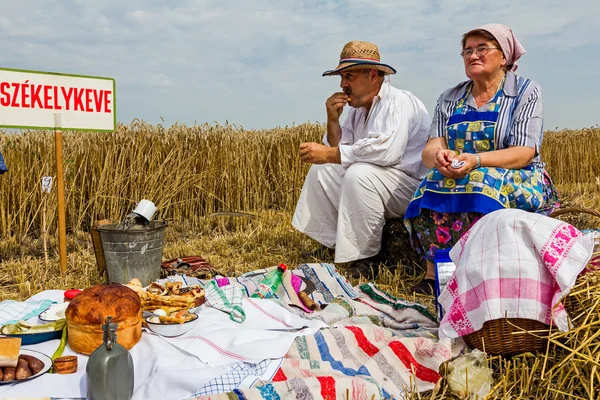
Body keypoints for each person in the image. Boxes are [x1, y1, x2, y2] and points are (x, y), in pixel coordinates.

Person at [404, 24, 560, 295]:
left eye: (482, 49)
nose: (472, 55)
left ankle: (482, 272)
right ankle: (435, 273)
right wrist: (440, 157)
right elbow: (431, 149)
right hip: (461, 171)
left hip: (518, 175)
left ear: (504, 57)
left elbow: (524, 152)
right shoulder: (449, 98)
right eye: (467, 51)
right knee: (430, 183)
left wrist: (476, 160)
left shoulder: (525, 91)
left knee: (479, 182)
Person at [292, 40, 431, 278]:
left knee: (359, 173)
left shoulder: (397, 102)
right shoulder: (358, 111)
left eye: (349, 76)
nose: (343, 84)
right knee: (322, 170)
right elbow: (340, 150)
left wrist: (329, 154)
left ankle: (366, 258)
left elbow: (387, 151)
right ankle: (334, 243)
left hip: (408, 187)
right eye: (342, 77)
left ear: (373, 75)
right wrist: (333, 119)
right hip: (379, 183)